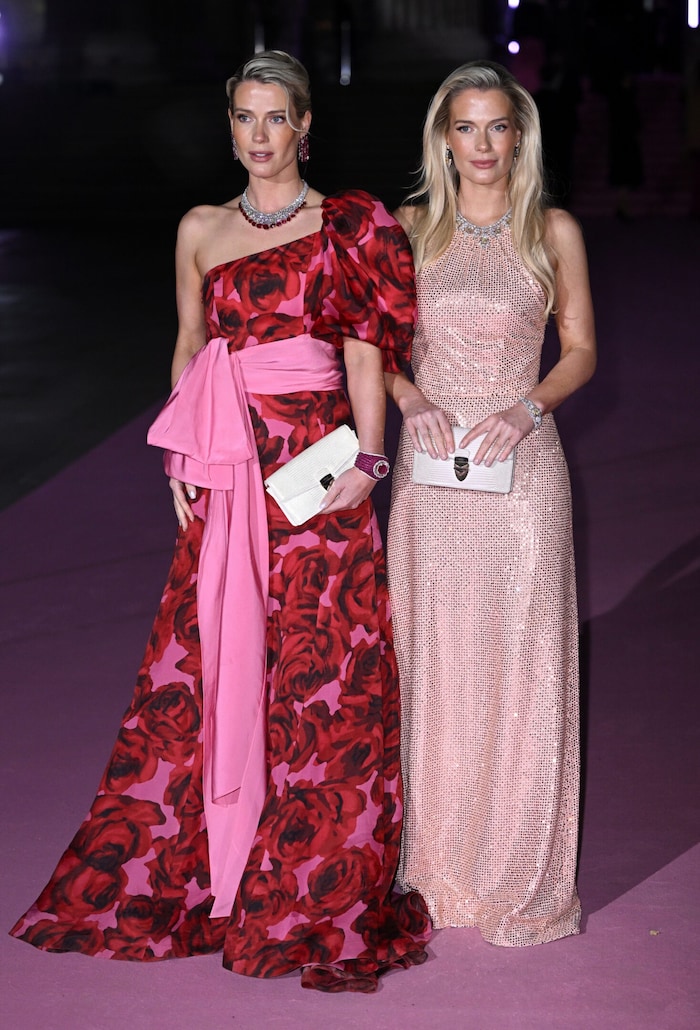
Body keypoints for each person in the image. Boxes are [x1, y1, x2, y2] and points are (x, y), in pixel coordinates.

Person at [10, 50, 430, 993]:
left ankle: (311, 875)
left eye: (276, 116)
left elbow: (365, 354)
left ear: (305, 125)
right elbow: (191, 345)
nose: (259, 134)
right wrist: (182, 455)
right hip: (228, 474)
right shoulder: (199, 228)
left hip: (316, 470)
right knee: (212, 660)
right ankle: (220, 867)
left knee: (325, 668)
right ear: (229, 127)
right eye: (244, 117)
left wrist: (369, 462)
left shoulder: (348, 225)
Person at [385, 60, 596, 946]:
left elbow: (580, 350)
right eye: (465, 127)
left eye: (497, 127)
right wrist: (409, 399)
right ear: (444, 138)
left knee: (523, 661)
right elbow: (371, 345)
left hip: (522, 465)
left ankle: (515, 861)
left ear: (520, 136)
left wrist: (527, 408)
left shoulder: (551, 229)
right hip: (432, 468)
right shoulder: (406, 229)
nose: (482, 144)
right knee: (433, 658)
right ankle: (432, 860)